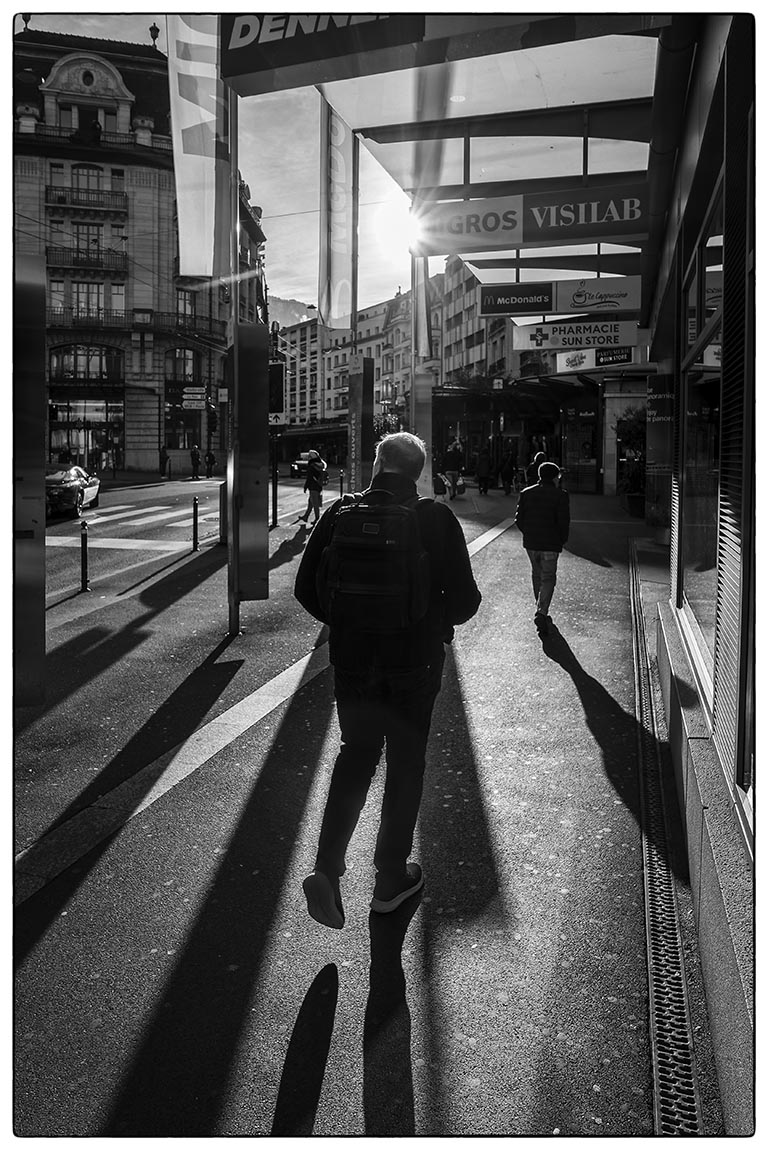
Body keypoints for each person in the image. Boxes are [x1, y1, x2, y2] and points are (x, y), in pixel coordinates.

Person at [294, 431, 482, 928]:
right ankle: (390, 879)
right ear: (418, 472)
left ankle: (327, 870)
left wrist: (348, 623)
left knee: (355, 756)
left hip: (353, 662)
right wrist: (430, 621)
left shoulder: (340, 512)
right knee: (405, 765)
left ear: (377, 464)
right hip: (414, 665)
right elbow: (466, 601)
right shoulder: (434, 518)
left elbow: (305, 587)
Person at [513, 460, 570, 637]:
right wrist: (561, 540)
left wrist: (528, 533)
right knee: (548, 577)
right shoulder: (561, 495)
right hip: (551, 543)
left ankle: (540, 607)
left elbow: (518, 519)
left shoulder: (526, 493)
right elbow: (563, 522)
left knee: (537, 574)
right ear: (554, 477)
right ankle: (542, 611)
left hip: (531, 543)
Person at [297, 449, 326, 526]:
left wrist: (305, 487)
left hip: (313, 486)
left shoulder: (312, 465)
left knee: (315, 503)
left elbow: (309, 478)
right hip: (319, 486)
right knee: (311, 502)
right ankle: (306, 516)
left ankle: (317, 519)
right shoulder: (320, 464)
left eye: (309, 456)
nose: (308, 457)